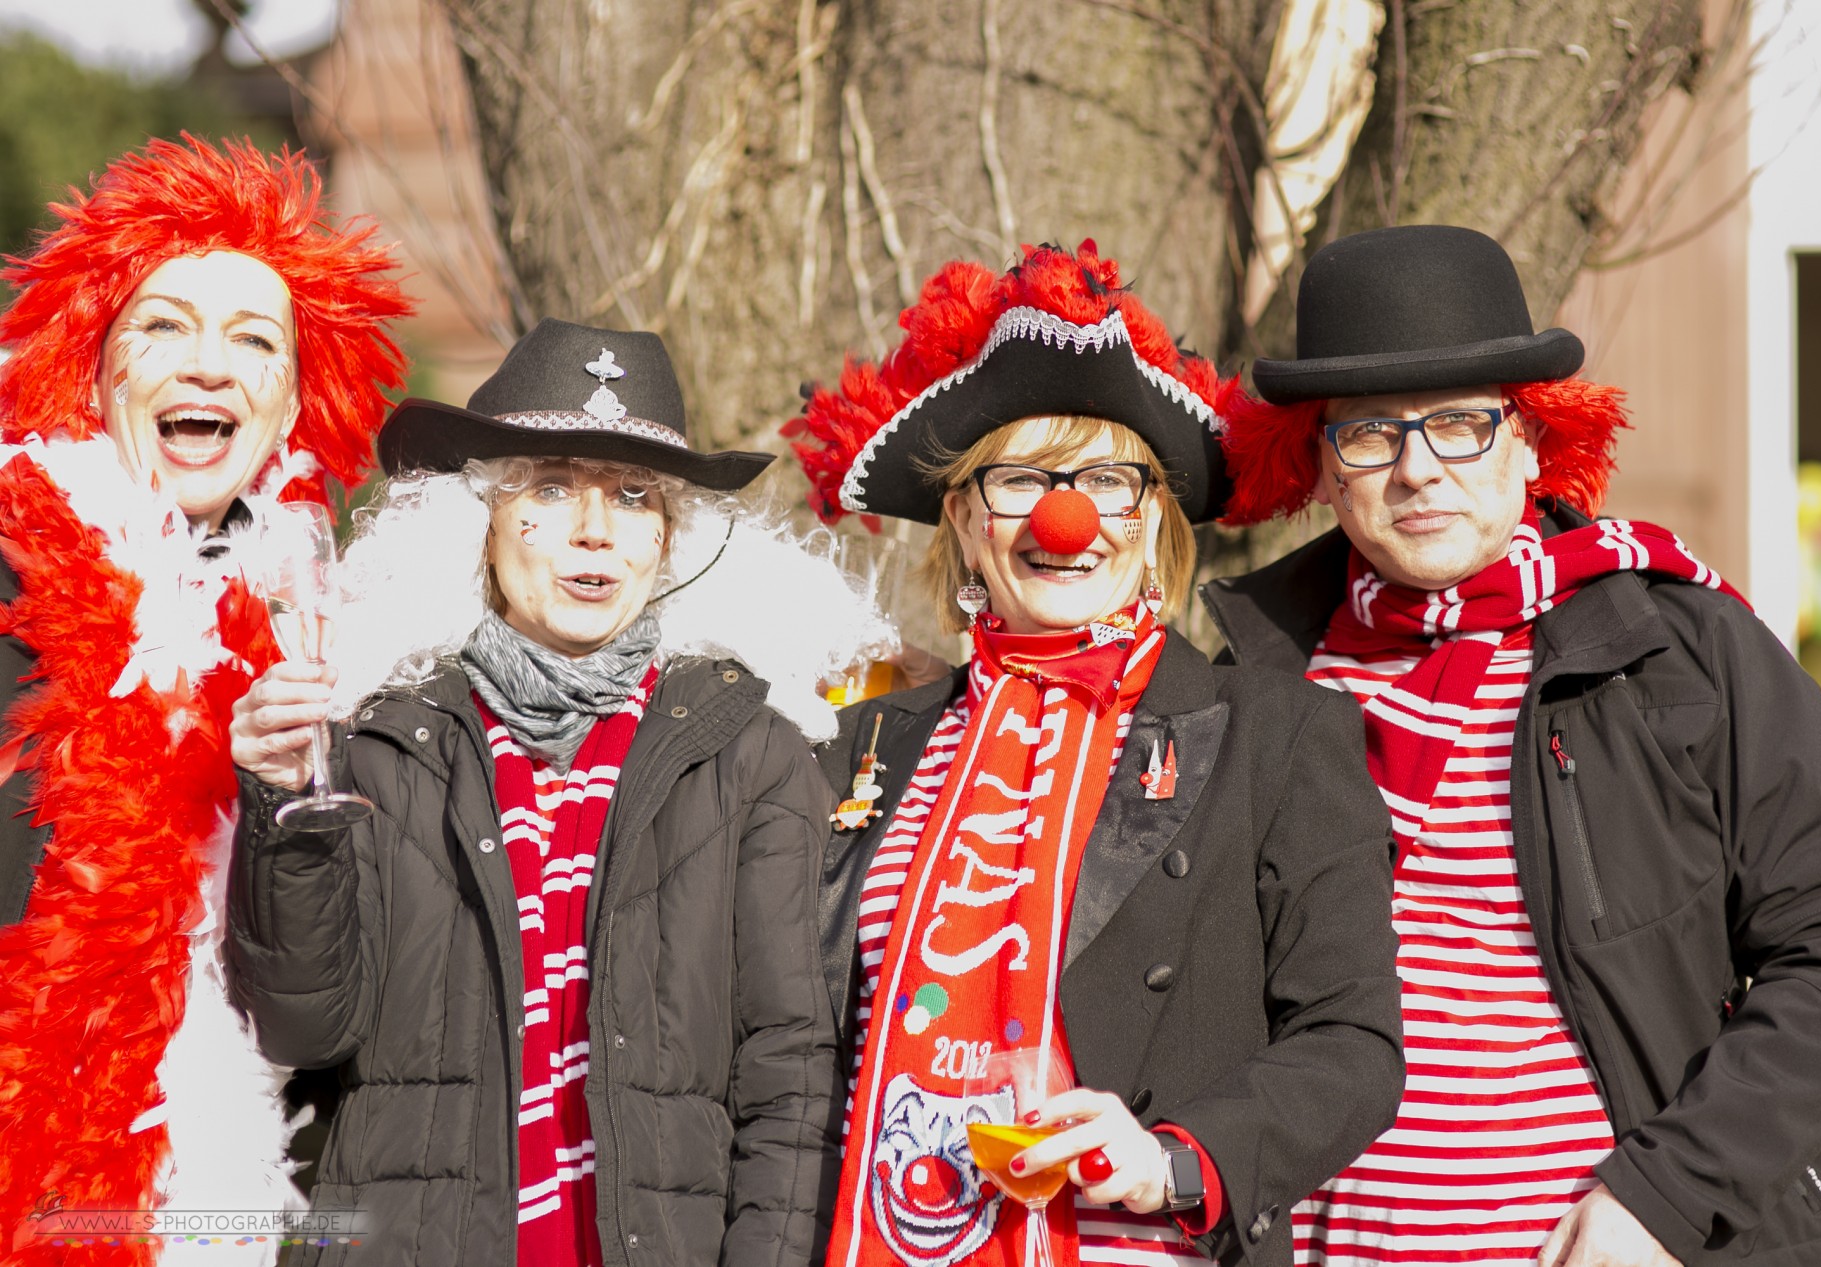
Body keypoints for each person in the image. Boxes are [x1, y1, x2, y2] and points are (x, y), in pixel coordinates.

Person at [1204, 224, 1821, 1266]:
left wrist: (1662, 1198)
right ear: (1320, 466)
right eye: (1369, 434)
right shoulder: (1254, 686)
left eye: (1460, 426)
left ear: (1528, 439)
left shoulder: (1681, 651)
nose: (1416, 470)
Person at [783, 241, 1406, 1267]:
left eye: (1110, 480)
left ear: (1152, 519)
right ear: (964, 520)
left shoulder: (1274, 734)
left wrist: (1172, 1159)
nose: (1065, 517)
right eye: (1021, 477)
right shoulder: (863, 748)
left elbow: (1352, 1046)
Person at [225, 318, 886, 1267]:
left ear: (668, 538)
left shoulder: (756, 756)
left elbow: (795, 1080)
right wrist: (286, 815)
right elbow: (300, 1024)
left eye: (632, 496)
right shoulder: (377, 740)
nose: (594, 530)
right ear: (481, 524)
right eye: (547, 488)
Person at [0, 135, 411, 1260]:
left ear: (287, 407)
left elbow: (322, 1015)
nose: (209, 367)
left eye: (253, 340)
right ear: (92, 368)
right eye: (165, 325)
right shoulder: (9, 584)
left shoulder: (331, 640)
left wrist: (278, 797)